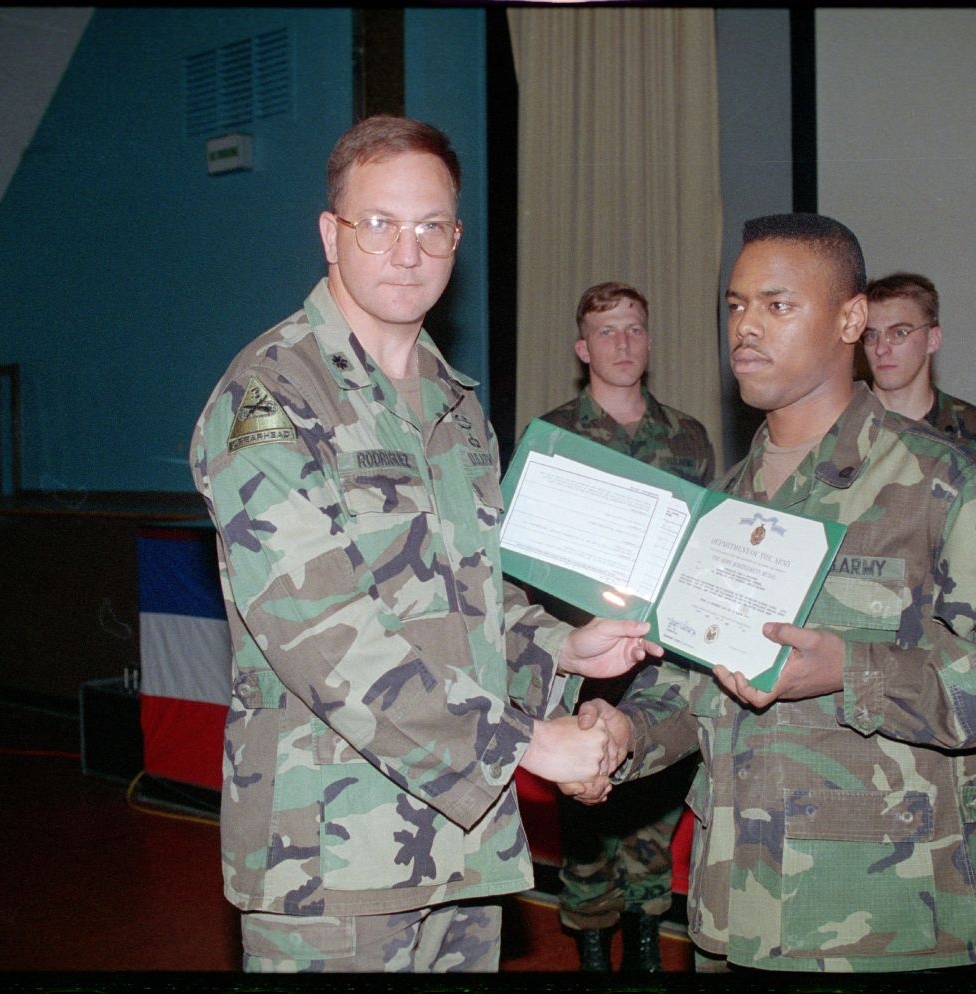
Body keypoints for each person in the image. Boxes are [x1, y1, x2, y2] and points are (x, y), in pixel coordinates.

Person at [190, 115, 661, 974]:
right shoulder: (271, 395)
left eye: (430, 227)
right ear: (331, 234)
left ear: (456, 239)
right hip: (332, 856)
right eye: (379, 223)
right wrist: (525, 743)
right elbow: (321, 628)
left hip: (460, 844)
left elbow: (473, 600)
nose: (407, 252)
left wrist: (566, 647)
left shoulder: (455, 404)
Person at [567, 214, 976, 973]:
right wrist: (626, 736)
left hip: (885, 923)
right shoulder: (726, 503)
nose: (747, 329)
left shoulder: (935, 484)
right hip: (734, 911)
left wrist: (856, 670)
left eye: (778, 306)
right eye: (736, 306)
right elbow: (694, 680)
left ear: (851, 318)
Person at [537, 281, 715, 972]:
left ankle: (644, 935)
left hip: (664, 658)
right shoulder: (552, 437)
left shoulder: (690, 437)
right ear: (583, 349)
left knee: (654, 809)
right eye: (606, 332)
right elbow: (526, 556)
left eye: (634, 329)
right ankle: (589, 944)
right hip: (579, 654)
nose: (622, 343)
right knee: (584, 814)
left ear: (648, 340)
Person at [861, 272, 976, 503]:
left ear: (933, 339)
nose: (881, 349)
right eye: (871, 336)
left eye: (899, 333)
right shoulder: (842, 426)